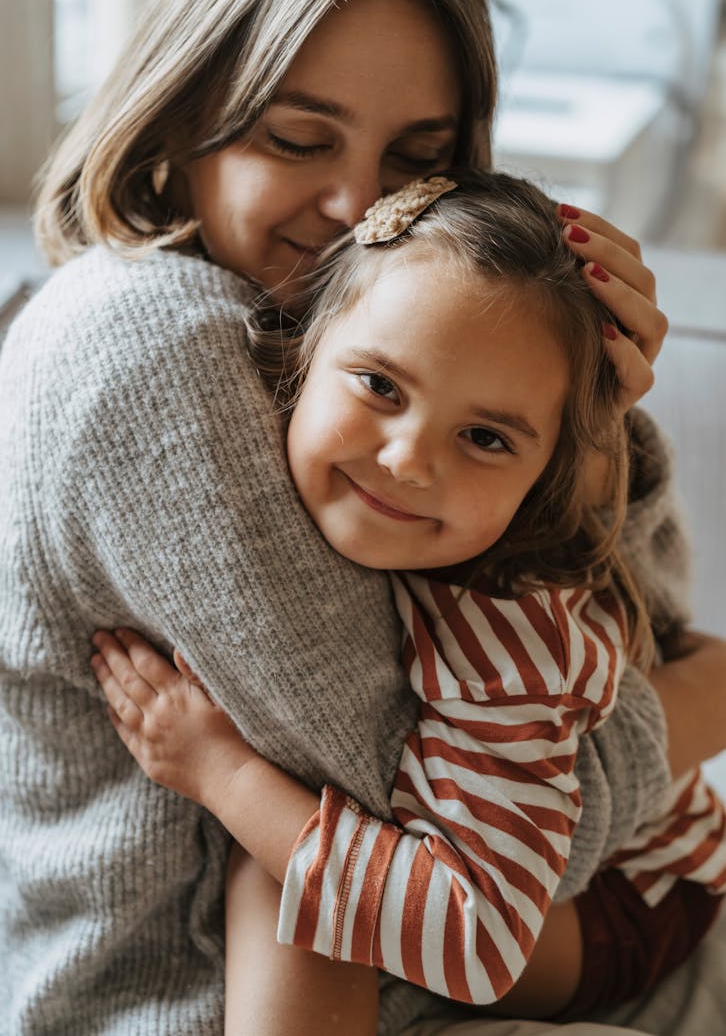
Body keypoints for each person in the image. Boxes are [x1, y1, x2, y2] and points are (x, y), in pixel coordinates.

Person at [0, 0, 723, 1033]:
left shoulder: (354, 334)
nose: (359, 213)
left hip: (458, 957)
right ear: (182, 116)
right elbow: (450, 841)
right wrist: (685, 711)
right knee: (280, 881)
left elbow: (625, 622)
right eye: (297, 137)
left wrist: (602, 420)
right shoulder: (147, 343)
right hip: (207, 996)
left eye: (418, 161)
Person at [90, 172, 726, 1034]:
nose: (409, 459)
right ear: (307, 346)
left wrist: (223, 774)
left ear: (542, 477)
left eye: (486, 437)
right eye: (381, 386)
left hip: (631, 904)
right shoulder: (233, 463)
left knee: (281, 879)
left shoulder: (508, 656)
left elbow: (480, 934)